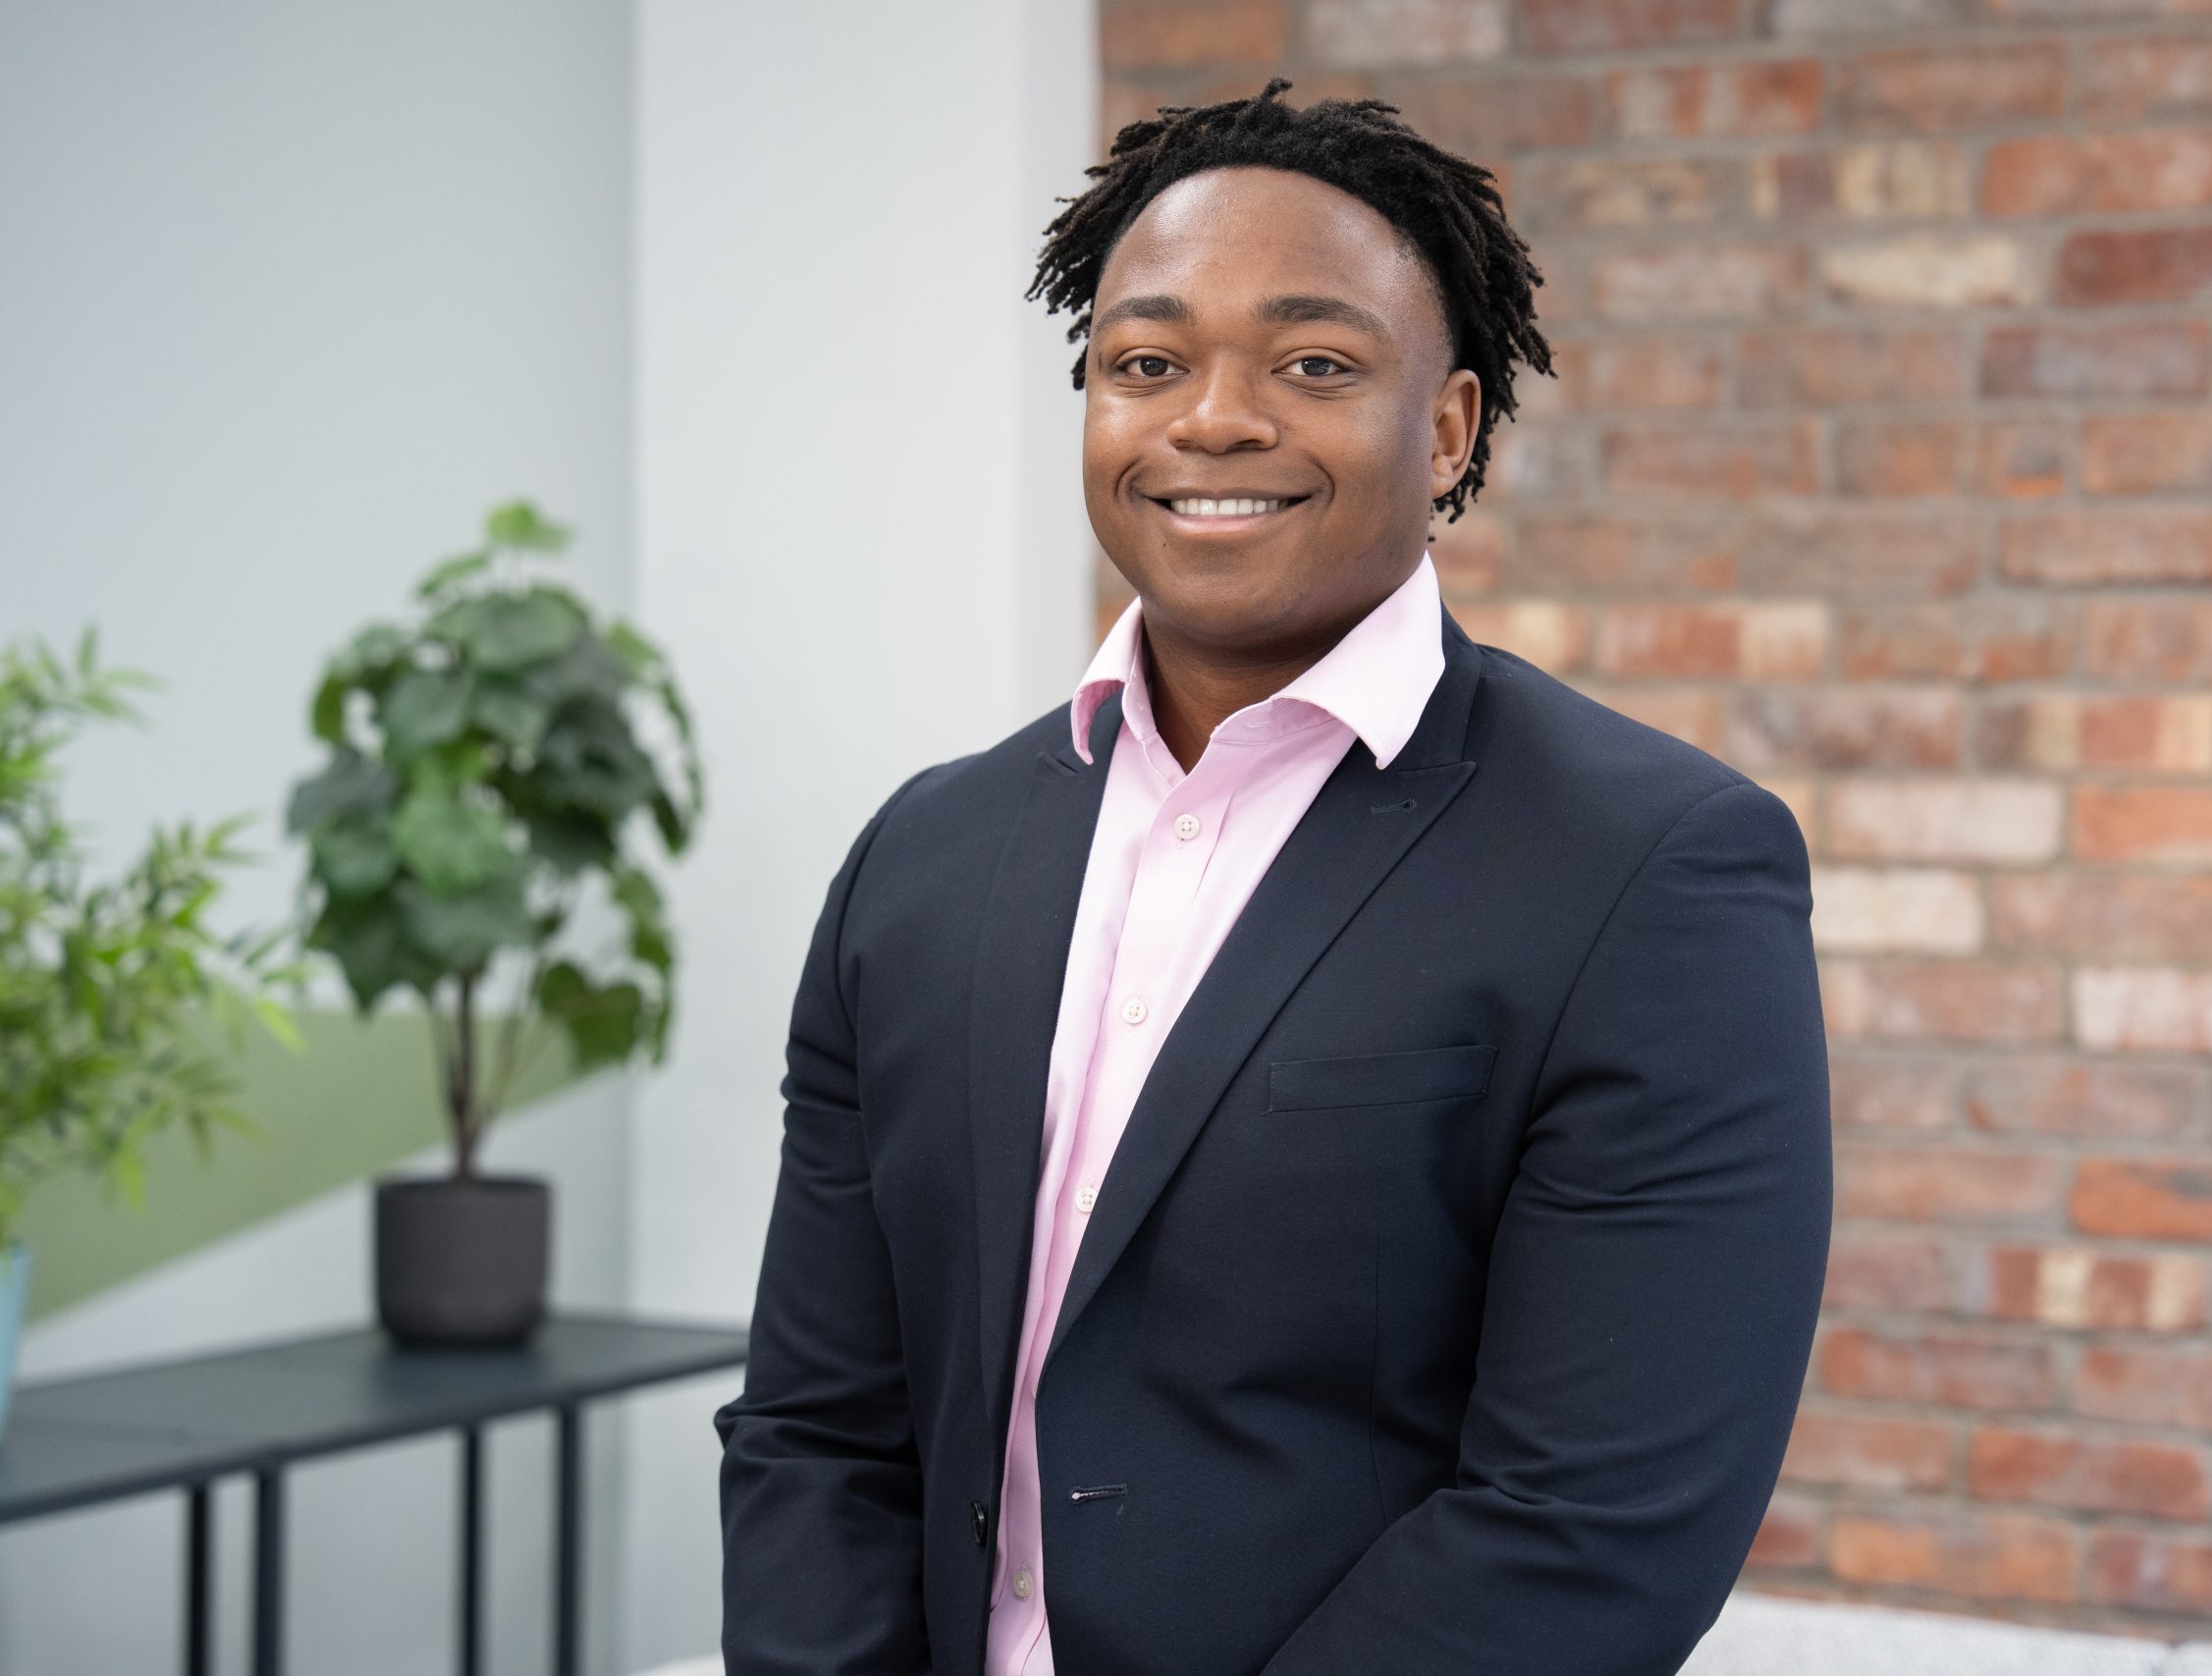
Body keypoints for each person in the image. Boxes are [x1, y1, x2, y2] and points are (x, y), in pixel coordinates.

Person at [716, 80, 1831, 1676]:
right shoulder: (922, 858)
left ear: (1446, 428)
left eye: (1314, 365)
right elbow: (820, 1425)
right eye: (1146, 364)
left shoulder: (1652, 870)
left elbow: (1593, 1526)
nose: (1213, 420)